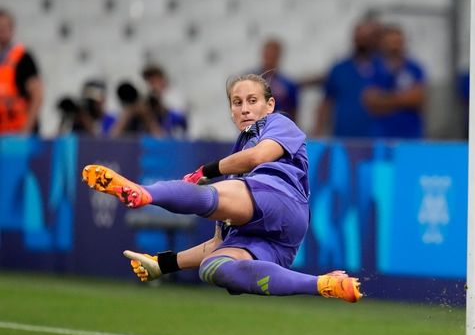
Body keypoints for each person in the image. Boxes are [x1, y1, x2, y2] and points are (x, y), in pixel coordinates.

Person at [81, 73, 361, 303]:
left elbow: (257, 157)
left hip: (281, 199)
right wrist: (163, 264)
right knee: (214, 267)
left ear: (270, 105)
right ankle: (324, 284)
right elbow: (216, 242)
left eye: (253, 100)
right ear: (231, 111)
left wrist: (206, 171)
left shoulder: (278, 123)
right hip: (276, 243)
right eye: (237, 103)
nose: (245, 108)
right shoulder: (235, 167)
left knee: (208, 196)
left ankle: (143, 193)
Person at [314, 17, 380, 138]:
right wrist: (318, 132)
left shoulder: (383, 67)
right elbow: (327, 102)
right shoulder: (340, 69)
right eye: (359, 36)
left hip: (377, 138)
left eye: (366, 37)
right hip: (344, 137)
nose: (362, 41)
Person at [362, 24, 426, 139]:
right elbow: (371, 101)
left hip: (411, 136)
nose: (394, 46)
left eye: (398, 42)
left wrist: (385, 99)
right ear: (382, 44)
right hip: (381, 136)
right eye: (390, 42)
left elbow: (418, 98)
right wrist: (404, 98)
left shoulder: (414, 68)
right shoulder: (373, 68)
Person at [0, 8, 43, 135]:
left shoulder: (23, 58)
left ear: (12, 29)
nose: (1, 31)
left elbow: (37, 95)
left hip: (19, 132)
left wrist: (25, 131)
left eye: (5, 27)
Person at [248, 38, 299, 121]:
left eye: (273, 55)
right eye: (268, 55)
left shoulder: (288, 85)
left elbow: (294, 112)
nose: (270, 58)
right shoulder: (249, 81)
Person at [142, 64, 188, 138]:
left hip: (174, 134)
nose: (152, 85)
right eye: (150, 82)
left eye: (154, 81)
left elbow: (179, 117)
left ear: (163, 79)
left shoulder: (175, 95)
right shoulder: (149, 97)